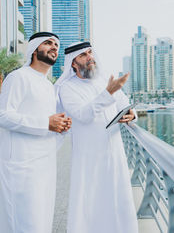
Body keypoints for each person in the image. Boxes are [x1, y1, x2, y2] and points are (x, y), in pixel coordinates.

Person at [56, 41, 138, 233]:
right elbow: (83, 114)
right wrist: (109, 91)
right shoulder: (67, 88)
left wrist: (132, 113)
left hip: (115, 153)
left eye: (90, 53)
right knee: (90, 201)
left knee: (118, 199)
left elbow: (124, 104)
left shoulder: (103, 80)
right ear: (73, 63)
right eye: (83, 55)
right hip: (88, 156)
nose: (89, 57)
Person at [0, 32, 72, 233]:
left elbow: (46, 125)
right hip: (22, 166)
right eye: (48, 43)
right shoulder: (18, 77)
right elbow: (3, 116)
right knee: (25, 222)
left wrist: (60, 128)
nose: (54, 47)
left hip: (45, 165)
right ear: (34, 49)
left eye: (56, 44)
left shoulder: (48, 86)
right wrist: (46, 123)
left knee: (42, 221)